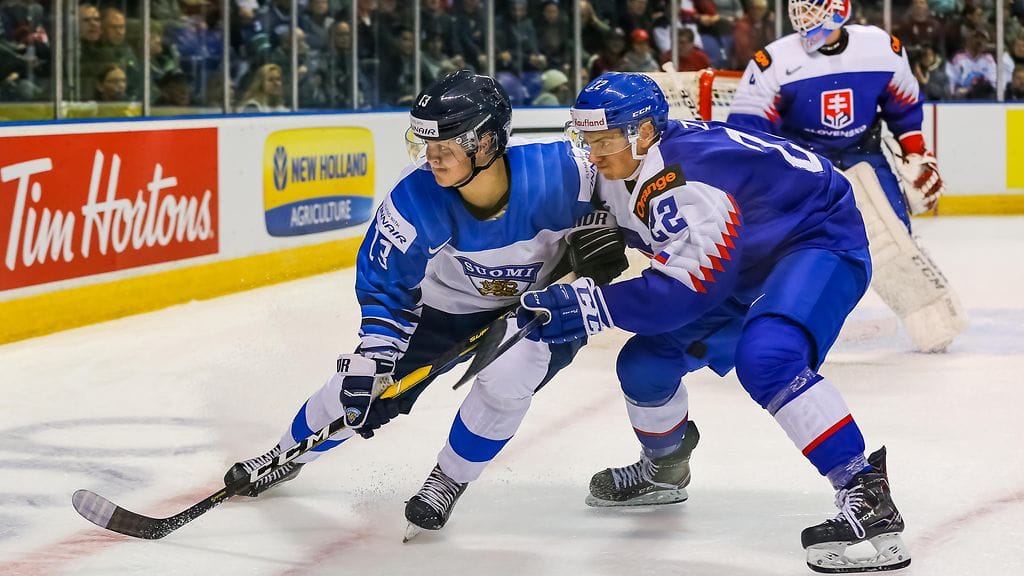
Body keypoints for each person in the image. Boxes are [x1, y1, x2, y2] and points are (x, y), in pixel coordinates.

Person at [519, 71, 910, 574]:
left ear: (642, 133)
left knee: (768, 356)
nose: (594, 155)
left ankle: (864, 491)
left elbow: (683, 293)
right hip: (747, 257)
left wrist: (588, 305)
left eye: (606, 141)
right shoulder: (627, 164)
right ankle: (664, 470)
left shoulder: (688, 183)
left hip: (816, 239)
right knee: (644, 364)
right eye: (588, 141)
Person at [223, 70, 623, 539]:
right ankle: (285, 454)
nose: (432, 160)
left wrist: (602, 233)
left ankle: (448, 479)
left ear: (488, 142)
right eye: (426, 146)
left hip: (546, 302)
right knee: (362, 390)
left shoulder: (570, 172)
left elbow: (626, 200)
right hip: (445, 308)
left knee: (507, 378)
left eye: (445, 149)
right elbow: (386, 286)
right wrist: (375, 357)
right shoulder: (413, 198)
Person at [726, 0, 965, 353]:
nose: (801, 16)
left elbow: (903, 105)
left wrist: (916, 151)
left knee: (894, 238)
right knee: (786, 243)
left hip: (864, 152)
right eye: (798, 7)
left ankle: (929, 323)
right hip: (802, 160)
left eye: (811, 8)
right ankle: (774, 319)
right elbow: (749, 131)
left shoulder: (880, 48)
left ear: (839, 9)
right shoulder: (773, 61)